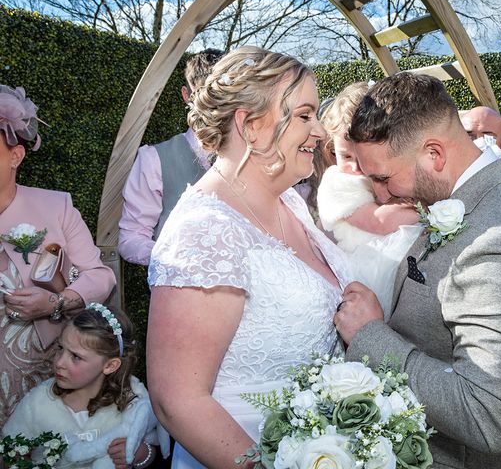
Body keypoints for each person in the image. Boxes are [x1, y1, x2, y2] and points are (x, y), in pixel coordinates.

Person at [334, 72, 501, 469]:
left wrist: (370, 336)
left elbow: (487, 416)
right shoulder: (475, 196)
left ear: (434, 154)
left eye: (384, 177)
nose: (380, 194)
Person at [146, 46, 352, 468]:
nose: (319, 132)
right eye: (304, 115)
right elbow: (178, 400)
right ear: (250, 125)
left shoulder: (290, 203)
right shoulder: (204, 232)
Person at [0, 85, 116, 428]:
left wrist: (56, 303)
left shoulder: (56, 206)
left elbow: (99, 276)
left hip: (38, 366)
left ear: (15, 156)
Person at [3, 304, 168, 468]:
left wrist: (139, 453)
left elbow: (154, 447)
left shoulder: (132, 402)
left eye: (75, 357)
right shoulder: (38, 402)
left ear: (110, 366)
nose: (59, 362)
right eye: (60, 348)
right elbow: (9, 448)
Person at [317, 81, 421, 319]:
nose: (357, 167)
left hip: (396, 254)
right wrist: (427, 210)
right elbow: (378, 222)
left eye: (363, 157)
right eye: (345, 156)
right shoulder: (337, 181)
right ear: (332, 149)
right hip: (365, 265)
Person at [118, 48, 225, 265]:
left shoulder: (255, 154)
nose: (216, 105)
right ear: (187, 95)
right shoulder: (154, 159)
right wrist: (174, 257)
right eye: (206, 93)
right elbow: (131, 238)